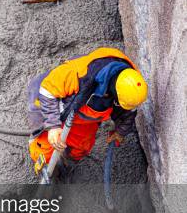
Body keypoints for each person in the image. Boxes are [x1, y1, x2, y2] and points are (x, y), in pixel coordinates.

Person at [27, 47, 148, 179]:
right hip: (50, 102)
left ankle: (65, 164)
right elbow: (47, 91)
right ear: (114, 91)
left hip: (83, 111)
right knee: (48, 144)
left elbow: (128, 112)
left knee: (80, 148)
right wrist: (52, 126)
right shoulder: (81, 74)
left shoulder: (132, 87)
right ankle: (47, 170)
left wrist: (120, 132)